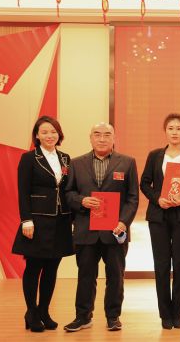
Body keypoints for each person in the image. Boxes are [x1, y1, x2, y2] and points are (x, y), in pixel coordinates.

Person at [63, 122, 139, 332]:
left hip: (115, 231)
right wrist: (82, 201)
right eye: (97, 134)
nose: (102, 139)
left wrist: (123, 222)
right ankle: (82, 317)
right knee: (85, 276)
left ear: (114, 138)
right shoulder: (76, 163)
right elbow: (68, 193)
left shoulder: (127, 162)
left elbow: (132, 198)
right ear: (90, 138)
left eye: (107, 135)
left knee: (116, 276)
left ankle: (113, 317)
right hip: (86, 230)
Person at [140, 113, 180, 330]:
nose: (175, 132)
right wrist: (158, 198)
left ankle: (178, 313)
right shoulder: (155, 155)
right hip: (159, 215)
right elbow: (145, 183)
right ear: (165, 131)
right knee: (162, 265)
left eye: (179, 128)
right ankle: (165, 314)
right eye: (171, 128)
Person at [12, 116, 74, 332]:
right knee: (33, 267)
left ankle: (44, 311)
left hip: (61, 220)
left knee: (52, 268)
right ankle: (31, 312)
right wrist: (26, 220)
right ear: (37, 135)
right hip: (37, 220)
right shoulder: (29, 158)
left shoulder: (65, 158)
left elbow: (67, 188)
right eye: (45, 132)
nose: (50, 135)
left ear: (59, 134)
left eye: (53, 131)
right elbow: (23, 192)